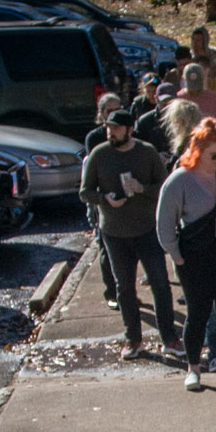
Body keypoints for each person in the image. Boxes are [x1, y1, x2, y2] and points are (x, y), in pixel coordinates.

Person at [157, 119, 216, 394]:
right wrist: (177, 256)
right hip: (193, 254)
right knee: (198, 313)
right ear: (197, 151)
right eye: (214, 156)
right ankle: (193, 368)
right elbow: (164, 225)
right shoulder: (180, 180)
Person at [80, 109, 181, 364]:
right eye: (108, 128)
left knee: (160, 283)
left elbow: (165, 187)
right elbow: (85, 192)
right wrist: (105, 199)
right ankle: (133, 339)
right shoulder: (99, 155)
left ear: (130, 129)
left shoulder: (146, 153)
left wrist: (142, 189)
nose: (110, 132)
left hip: (147, 229)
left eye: (115, 128)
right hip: (114, 232)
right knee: (124, 288)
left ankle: (169, 337)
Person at [85, 93, 125, 310]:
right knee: (105, 247)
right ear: (101, 114)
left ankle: (126, 292)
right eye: (109, 111)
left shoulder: (129, 133)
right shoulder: (95, 138)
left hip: (127, 198)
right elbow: (90, 178)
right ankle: (112, 292)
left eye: (117, 109)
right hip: (102, 199)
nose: (114, 115)